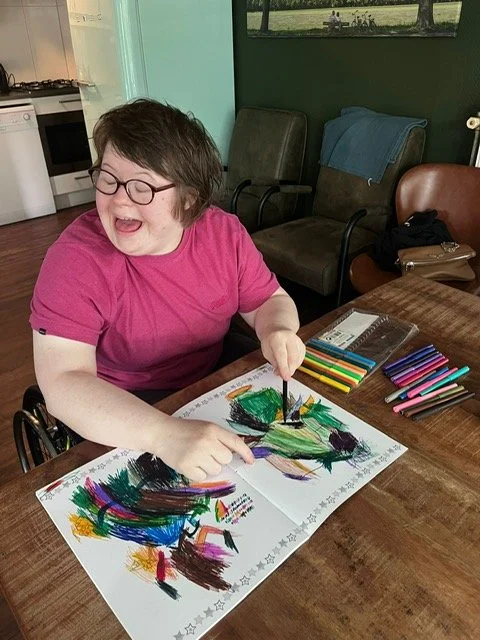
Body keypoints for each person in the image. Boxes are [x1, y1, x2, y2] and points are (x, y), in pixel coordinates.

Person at [30, 98, 306, 482]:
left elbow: (269, 300)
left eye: (142, 186)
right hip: (124, 406)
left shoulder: (223, 233)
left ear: (189, 198)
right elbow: (62, 383)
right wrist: (163, 434)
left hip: (210, 380)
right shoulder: (75, 260)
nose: (119, 199)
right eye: (108, 178)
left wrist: (277, 329)